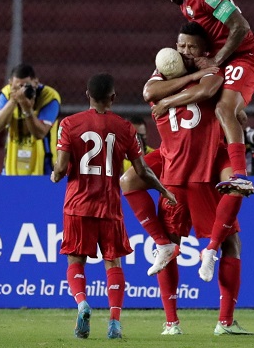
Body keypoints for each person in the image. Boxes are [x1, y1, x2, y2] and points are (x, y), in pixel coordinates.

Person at [121, 22, 253, 336]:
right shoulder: (168, 71)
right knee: (130, 183)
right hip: (177, 167)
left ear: (205, 50)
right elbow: (149, 92)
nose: (184, 51)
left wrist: (170, 99)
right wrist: (189, 77)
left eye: (191, 47)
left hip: (198, 167)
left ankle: (224, 320)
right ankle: (172, 322)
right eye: (181, 45)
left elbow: (206, 90)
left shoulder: (212, 72)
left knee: (233, 225)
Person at [51, 73, 176, 340]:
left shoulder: (69, 124)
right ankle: (114, 322)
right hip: (109, 206)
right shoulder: (125, 128)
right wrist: (163, 190)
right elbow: (142, 171)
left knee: (76, 259)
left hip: (77, 205)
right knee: (113, 262)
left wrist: (55, 174)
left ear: (87, 95)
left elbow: (60, 169)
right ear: (113, 97)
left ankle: (82, 303)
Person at [152, 0, 254, 196]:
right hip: (227, 60)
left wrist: (215, 61)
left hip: (246, 57)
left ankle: (240, 175)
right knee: (222, 108)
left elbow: (241, 26)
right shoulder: (186, 3)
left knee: (223, 109)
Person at [0, 63, 61, 175]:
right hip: (11, 166)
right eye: (17, 87)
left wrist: (27, 109)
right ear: (10, 83)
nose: (21, 91)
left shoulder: (49, 97)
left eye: (26, 86)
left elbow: (40, 133)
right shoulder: (7, 94)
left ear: (36, 82)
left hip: (44, 167)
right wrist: (13, 100)